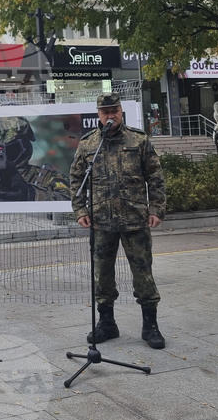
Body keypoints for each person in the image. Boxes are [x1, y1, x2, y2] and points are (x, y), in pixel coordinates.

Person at [70, 93, 166, 350]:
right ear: (98, 114)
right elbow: (76, 179)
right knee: (102, 274)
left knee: (143, 273)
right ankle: (107, 323)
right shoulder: (89, 143)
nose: (110, 116)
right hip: (101, 220)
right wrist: (80, 209)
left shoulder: (138, 139)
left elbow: (155, 176)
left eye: (115, 111)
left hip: (135, 218)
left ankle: (150, 325)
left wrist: (157, 208)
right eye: (105, 112)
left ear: (121, 111)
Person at [0, 116, 71, 202]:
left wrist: (31, 195)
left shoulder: (50, 179)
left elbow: (71, 205)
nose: (1, 159)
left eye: (10, 151)